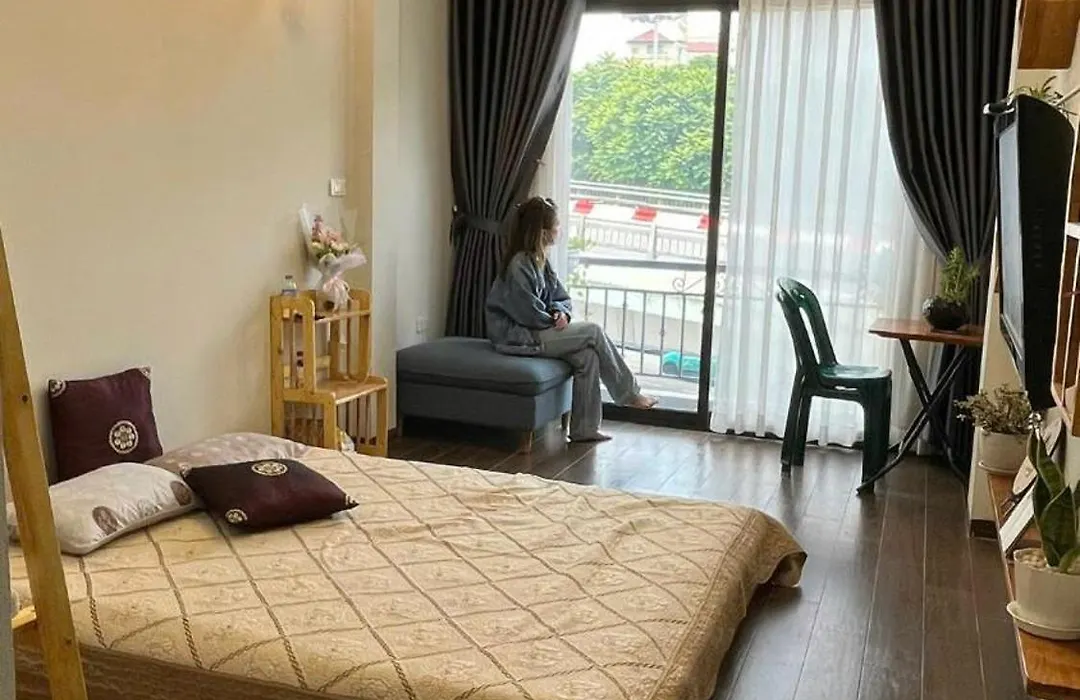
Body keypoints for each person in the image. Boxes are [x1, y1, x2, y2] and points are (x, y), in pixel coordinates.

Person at [485, 196, 657, 442]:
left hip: (537, 328)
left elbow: (561, 297)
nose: (560, 229)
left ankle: (584, 429)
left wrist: (561, 312)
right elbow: (527, 313)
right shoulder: (519, 264)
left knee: (588, 357)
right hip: (519, 336)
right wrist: (553, 320)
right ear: (544, 232)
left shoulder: (541, 261)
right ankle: (629, 393)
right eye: (556, 225)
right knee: (593, 331)